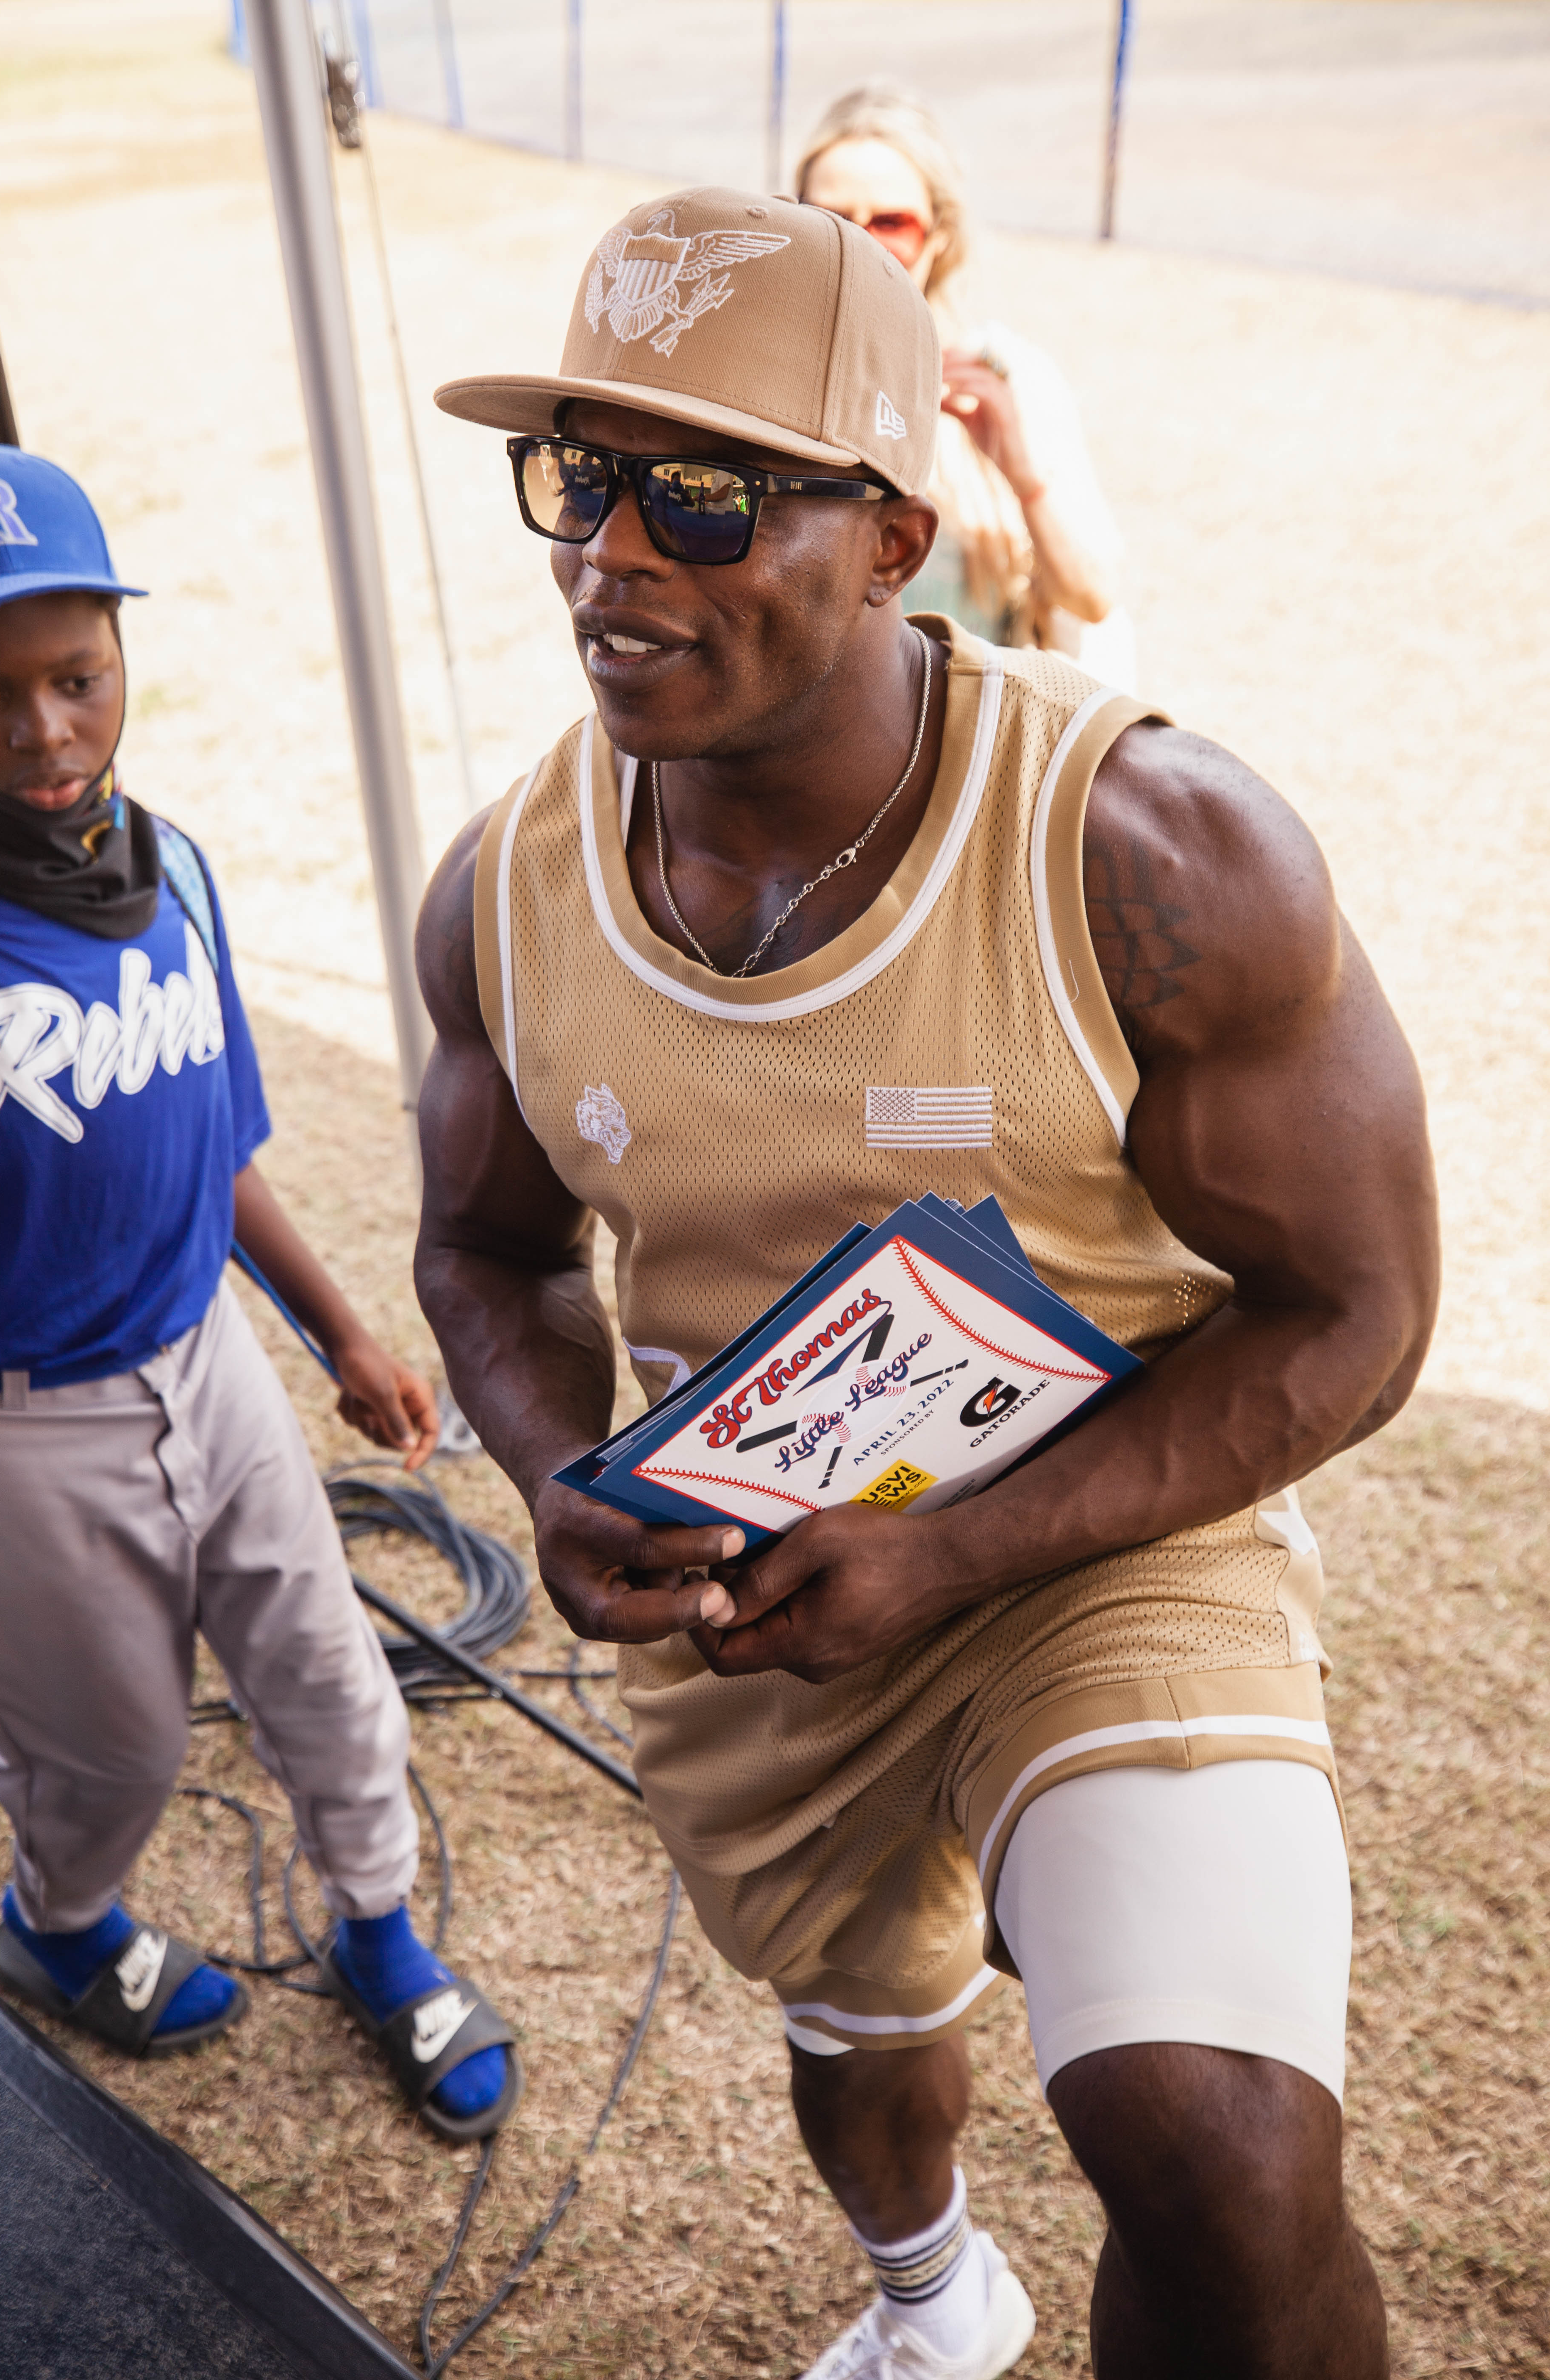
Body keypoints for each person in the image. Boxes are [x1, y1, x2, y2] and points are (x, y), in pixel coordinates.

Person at [419, 186, 1436, 2377]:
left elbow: (1360, 1311)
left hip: (1102, 1546)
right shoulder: (501, 889)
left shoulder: (1153, 859)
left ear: (892, 534)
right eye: (578, 480)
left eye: (700, 492)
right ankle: (928, 2303)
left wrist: (962, 1547)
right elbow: (482, 1253)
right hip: (750, 1602)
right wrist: (554, 1472)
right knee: (863, 2042)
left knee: (1224, 2164)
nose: (612, 554)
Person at [0, 449, 520, 2143]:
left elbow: (212, 1151)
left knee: (327, 1668)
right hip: (20, 1430)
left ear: (124, 659)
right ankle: (59, 1927)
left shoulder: (176, 871)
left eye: (77, 679)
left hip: (204, 1359)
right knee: (116, 1753)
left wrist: (343, 1329)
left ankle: (382, 1934)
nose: (48, 734)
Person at [798, 84, 1136, 691]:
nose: (859, 245)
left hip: (974, 737)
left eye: (892, 223)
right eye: (832, 220)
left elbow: (1093, 598)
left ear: (941, 236)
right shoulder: (765, 377)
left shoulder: (1002, 377)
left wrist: (1024, 477)